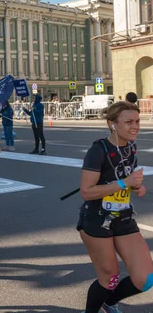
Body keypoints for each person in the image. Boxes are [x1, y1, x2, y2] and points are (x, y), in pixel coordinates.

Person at [77, 102, 152, 313]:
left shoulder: (130, 146)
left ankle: (109, 302)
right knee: (109, 277)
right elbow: (86, 191)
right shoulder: (98, 150)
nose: (135, 126)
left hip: (123, 217)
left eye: (137, 121)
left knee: (145, 278)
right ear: (112, 125)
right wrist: (124, 184)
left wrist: (136, 187)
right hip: (97, 219)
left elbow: (124, 178)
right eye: (128, 122)